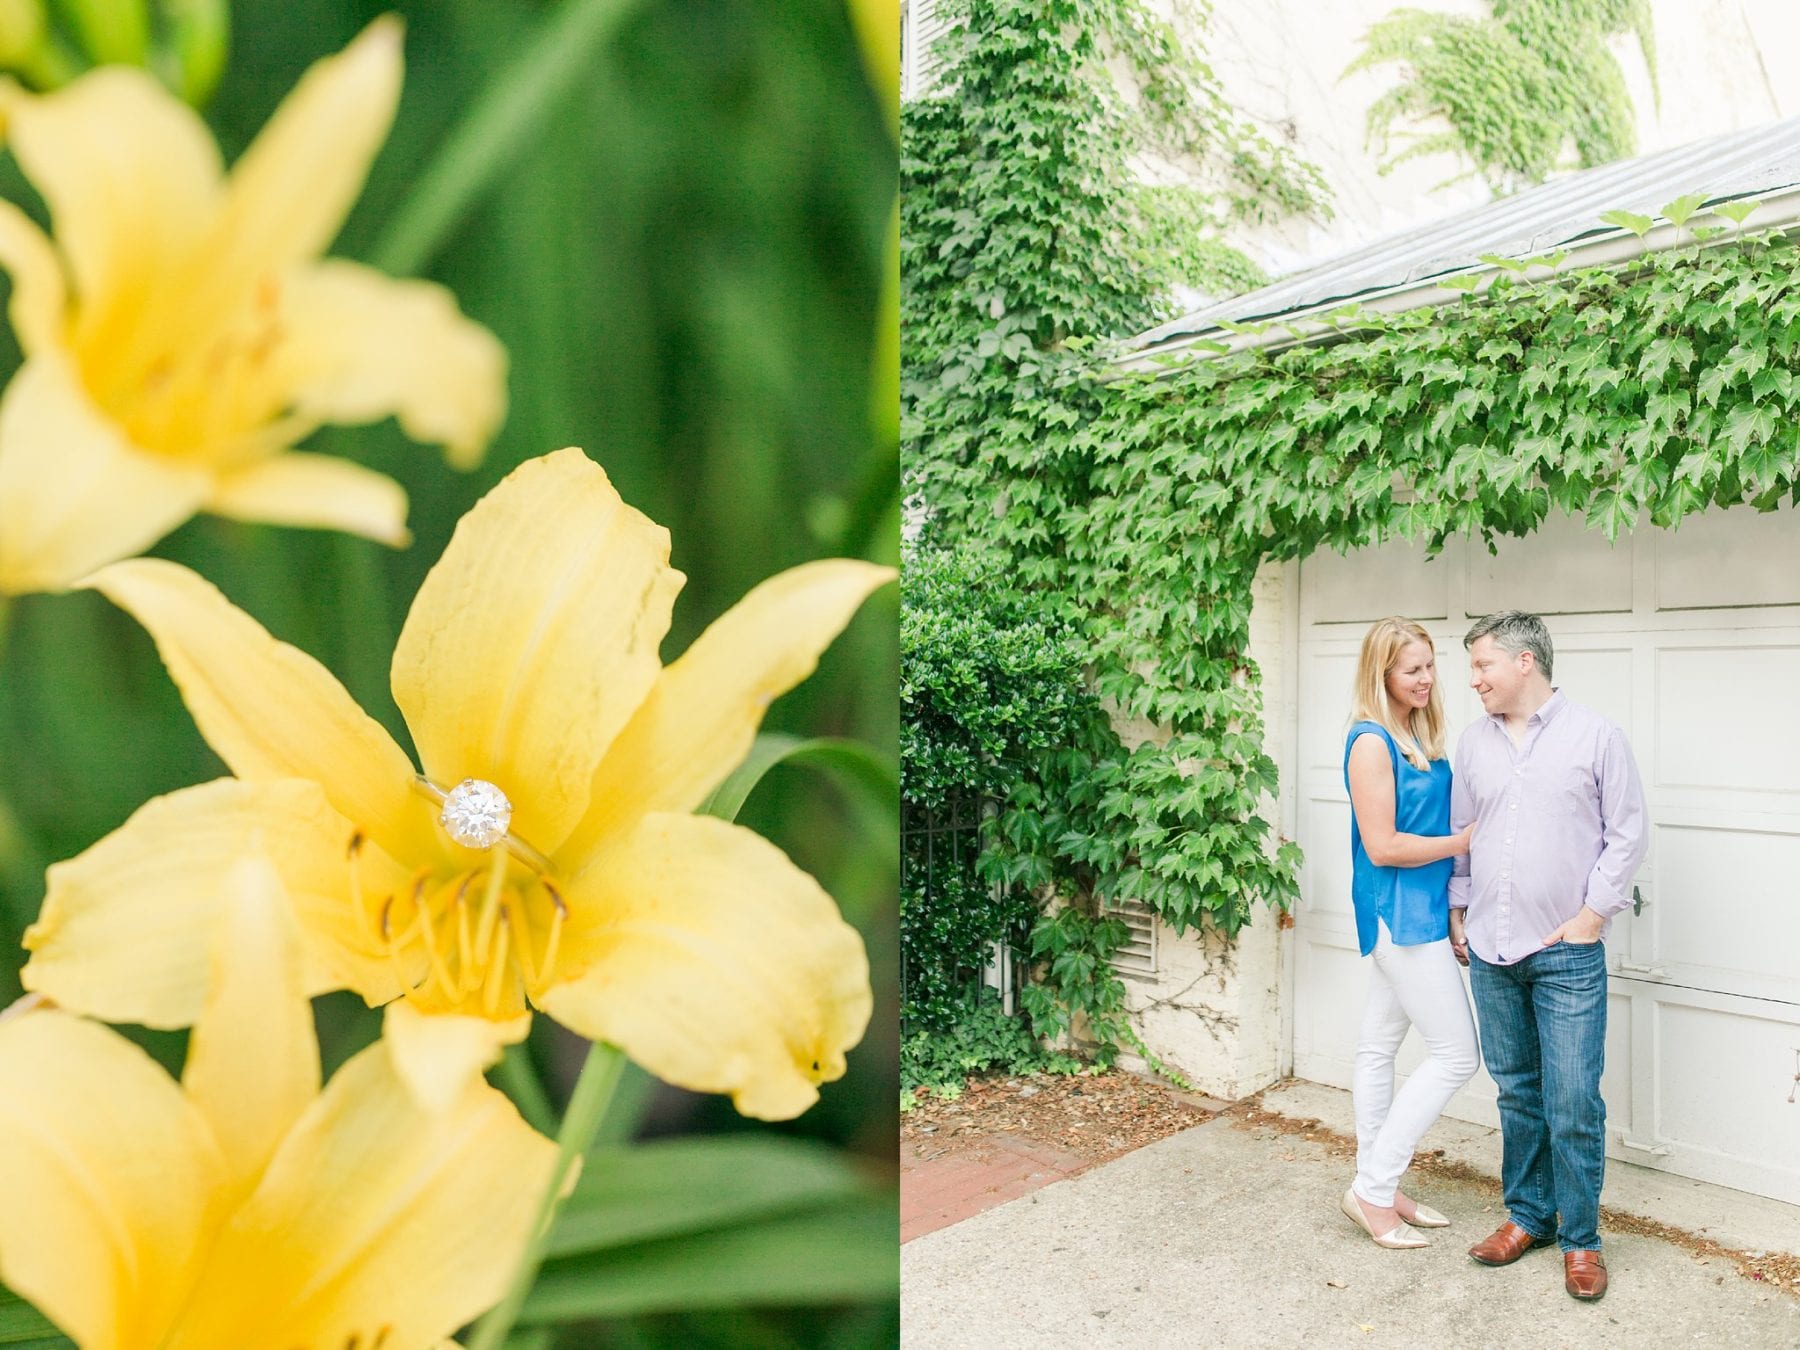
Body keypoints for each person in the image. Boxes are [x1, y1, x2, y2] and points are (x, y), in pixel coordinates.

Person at [1452, 611, 1648, 1301]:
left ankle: (1582, 1240)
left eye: (1483, 665)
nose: (1472, 679)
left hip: (1564, 952)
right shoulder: (1473, 743)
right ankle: (1528, 1216)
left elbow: (1626, 835)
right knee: (1517, 1094)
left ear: (1524, 662)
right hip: (1492, 951)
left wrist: (1592, 917)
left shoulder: (1597, 737)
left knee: (1571, 1102)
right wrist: (1459, 910)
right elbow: (1463, 833)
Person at [1339, 617, 1479, 1249]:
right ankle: (1373, 1190)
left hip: (1423, 911)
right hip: (1399, 915)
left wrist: (1455, 906)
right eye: (1410, 669)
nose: (1424, 679)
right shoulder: (1371, 741)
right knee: (1456, 1055)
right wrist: (1466, 842)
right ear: (1383, 675)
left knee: (1377, 1048)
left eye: (1428, 665)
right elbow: (1384, 844)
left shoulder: (1415, 732)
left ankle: (1379, 1186)